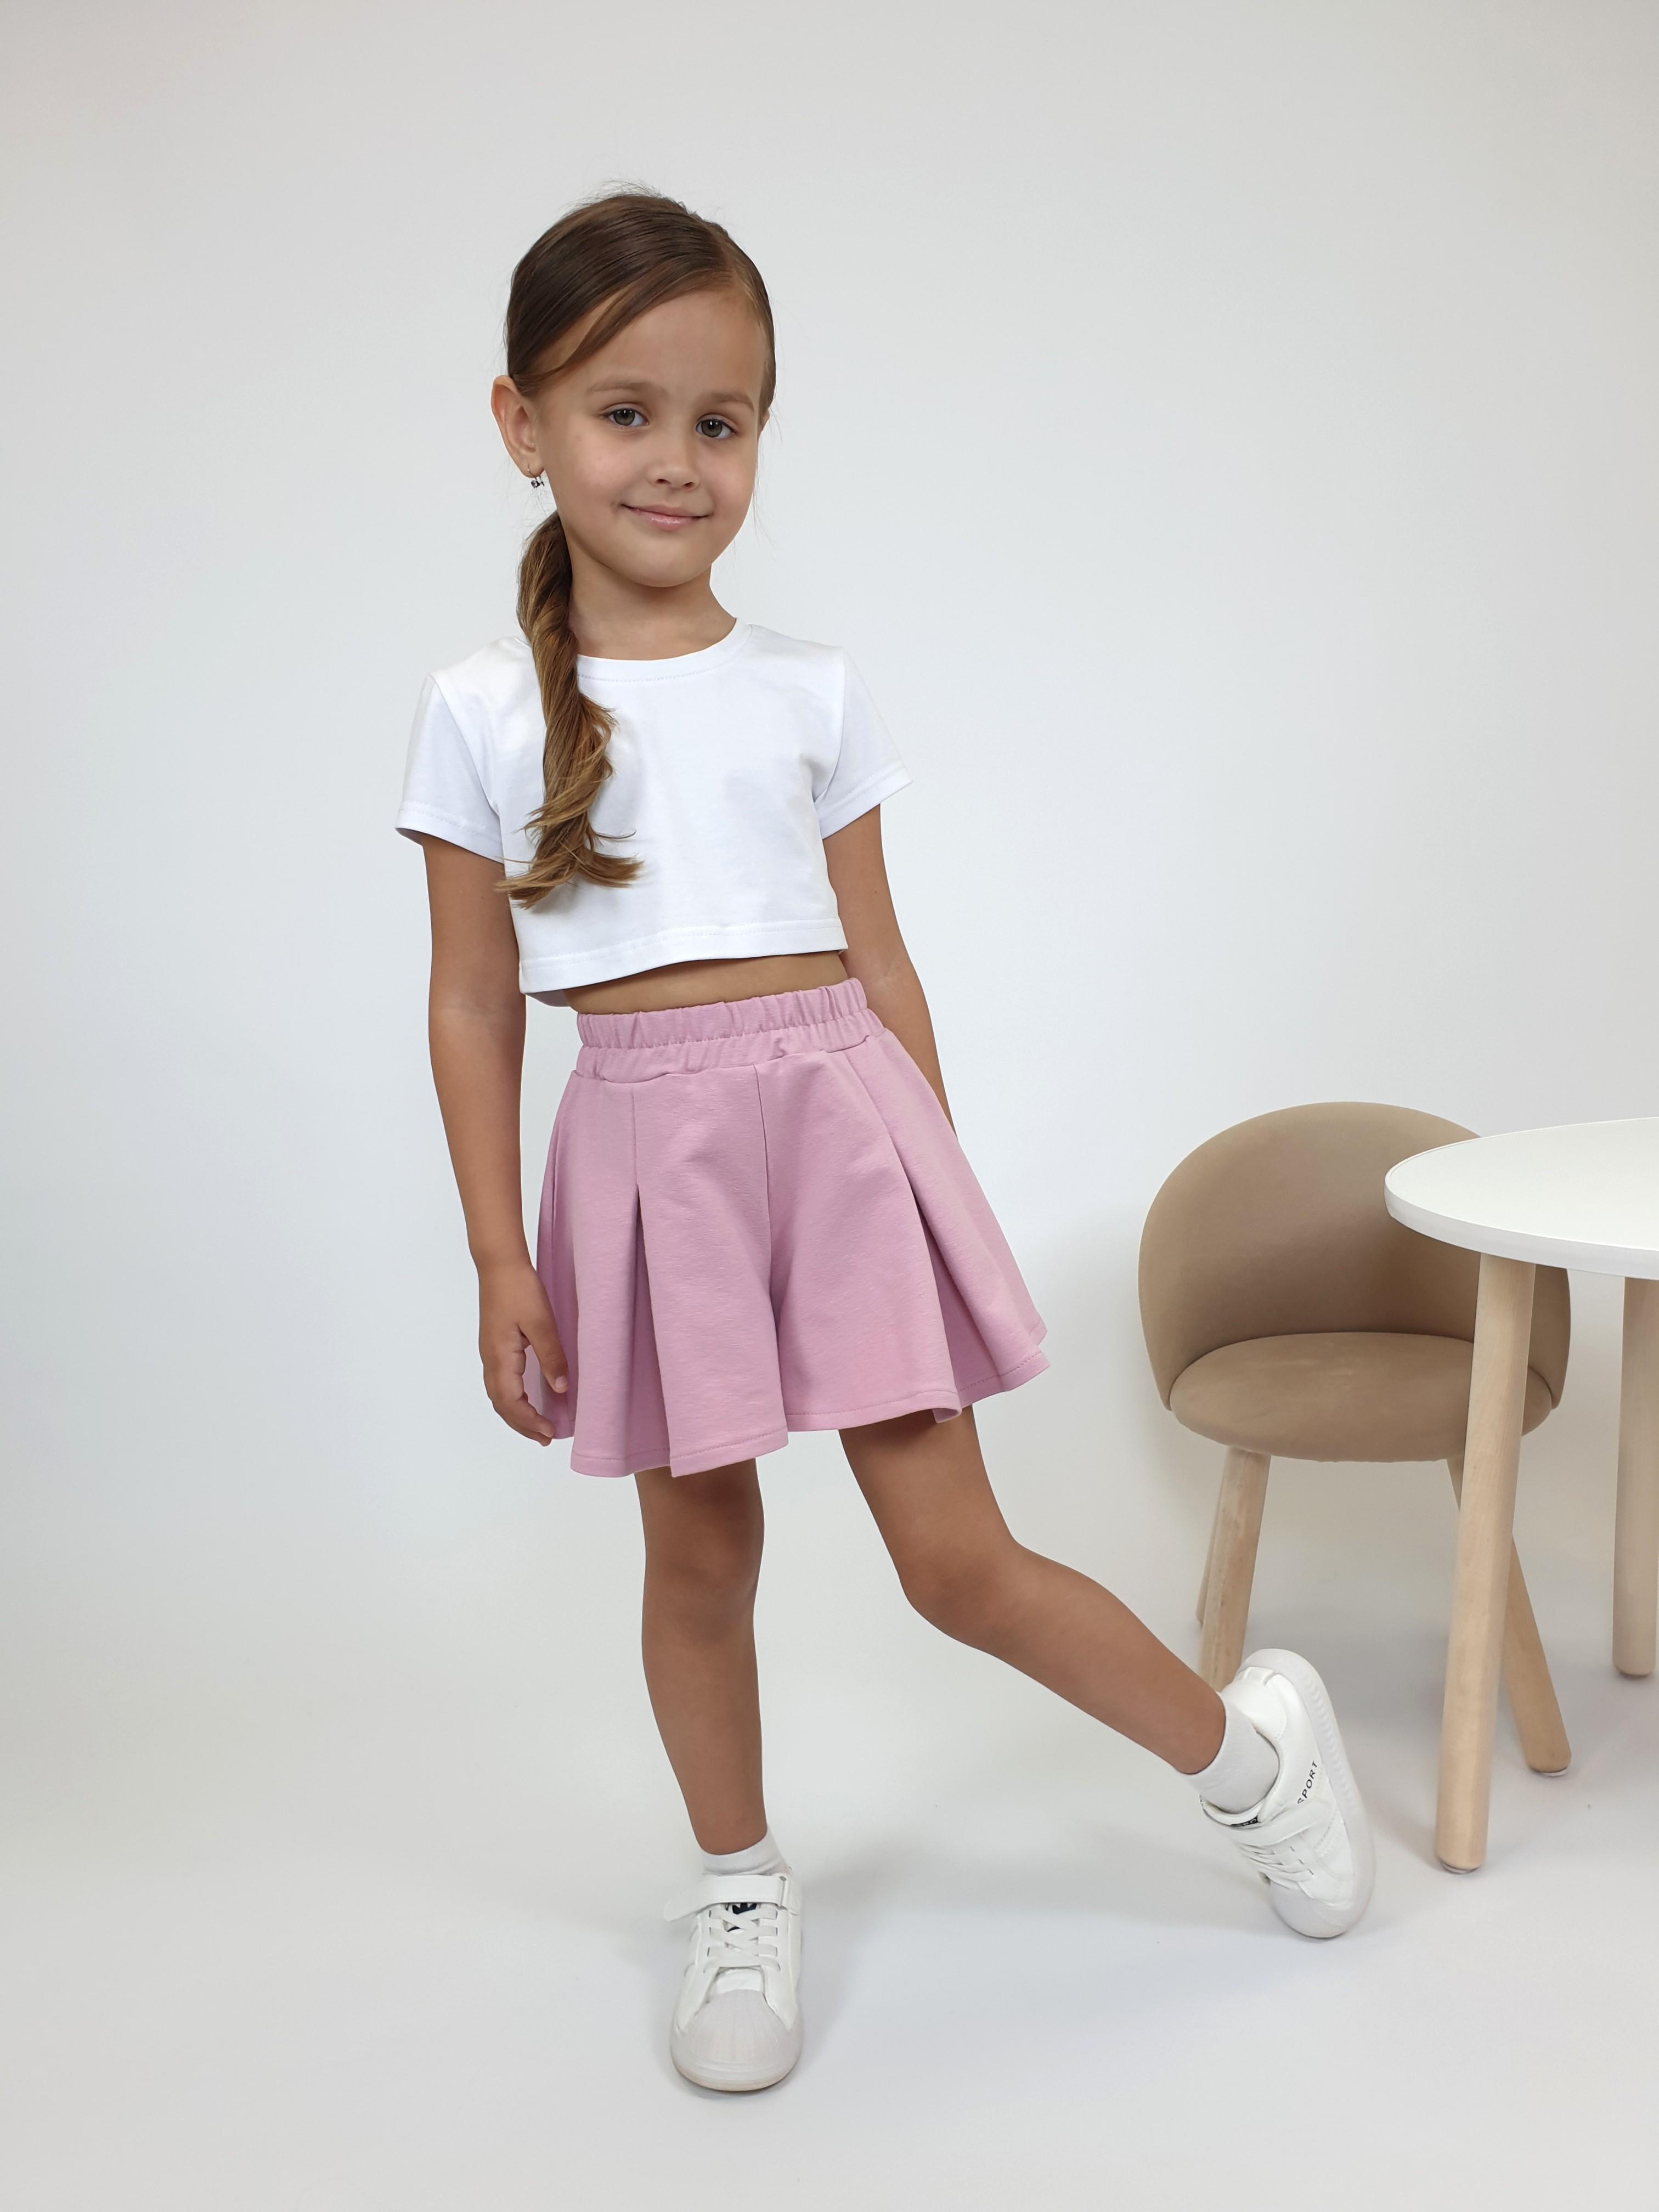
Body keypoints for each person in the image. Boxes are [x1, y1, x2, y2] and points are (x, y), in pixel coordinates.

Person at [396, 190, 1373, 2095]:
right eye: (624, 412)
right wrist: (500, 1253)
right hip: (644, 1166)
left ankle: (1255, 1766)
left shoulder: (809, 688)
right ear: (521, 422)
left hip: (840, 1134)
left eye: (721, 420)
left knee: (956, 1563)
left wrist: (935, 1180)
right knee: (699, 1557)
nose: (675, 460)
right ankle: (739, 1887)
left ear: (762, 434)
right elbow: (471, 1003)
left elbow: (883, 960)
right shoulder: (480, 710)